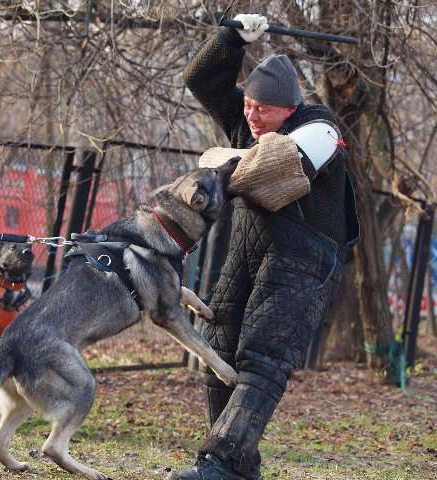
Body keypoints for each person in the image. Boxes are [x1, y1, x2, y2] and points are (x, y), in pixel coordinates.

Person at [171, 14, 360, 480]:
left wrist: (217, 160)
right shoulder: (250, 124)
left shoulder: (321, 129)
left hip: (304, 258)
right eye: (248, 105)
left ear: (289, 108)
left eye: (263, 110)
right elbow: (200, 77)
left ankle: (219, 462)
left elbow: (270, 172)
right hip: (249, 249)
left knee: (262, 354)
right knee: (218, 348)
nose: (251, 116)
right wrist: (231, 39)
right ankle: (237, 465)